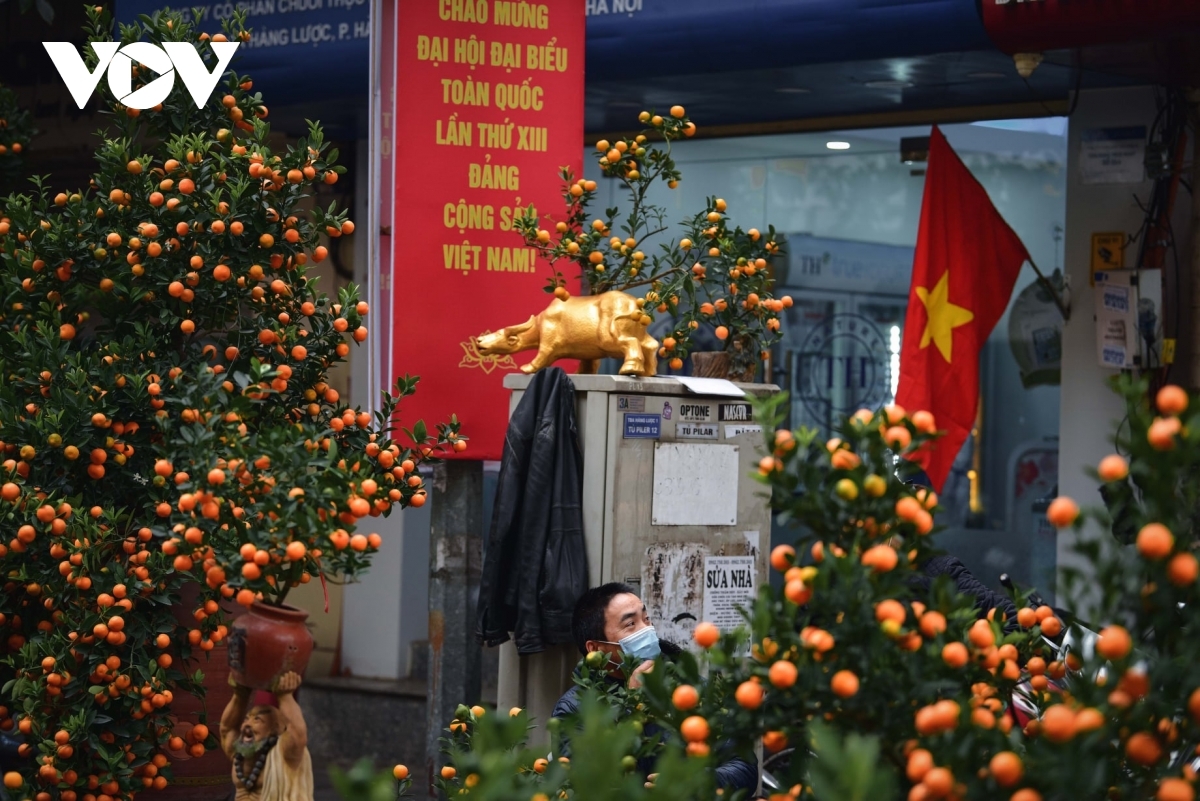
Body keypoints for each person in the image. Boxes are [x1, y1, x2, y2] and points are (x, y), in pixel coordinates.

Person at [552, 583, 759, 793]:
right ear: (595, 649)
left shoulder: (691, 690)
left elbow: (745, 769)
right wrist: (633, 707)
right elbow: (585, 787)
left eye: (646, 618)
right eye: (631, 624)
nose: (647, 629)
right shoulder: (574, 711)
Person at [220, 671, 314, 801]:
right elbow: (227, 729)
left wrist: (285, 696)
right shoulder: (240, 753)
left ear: (274, 729)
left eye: (257, 720)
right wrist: (240, 695)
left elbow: (297, 733)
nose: (247, 724)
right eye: (247, 719)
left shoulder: (284, 755)